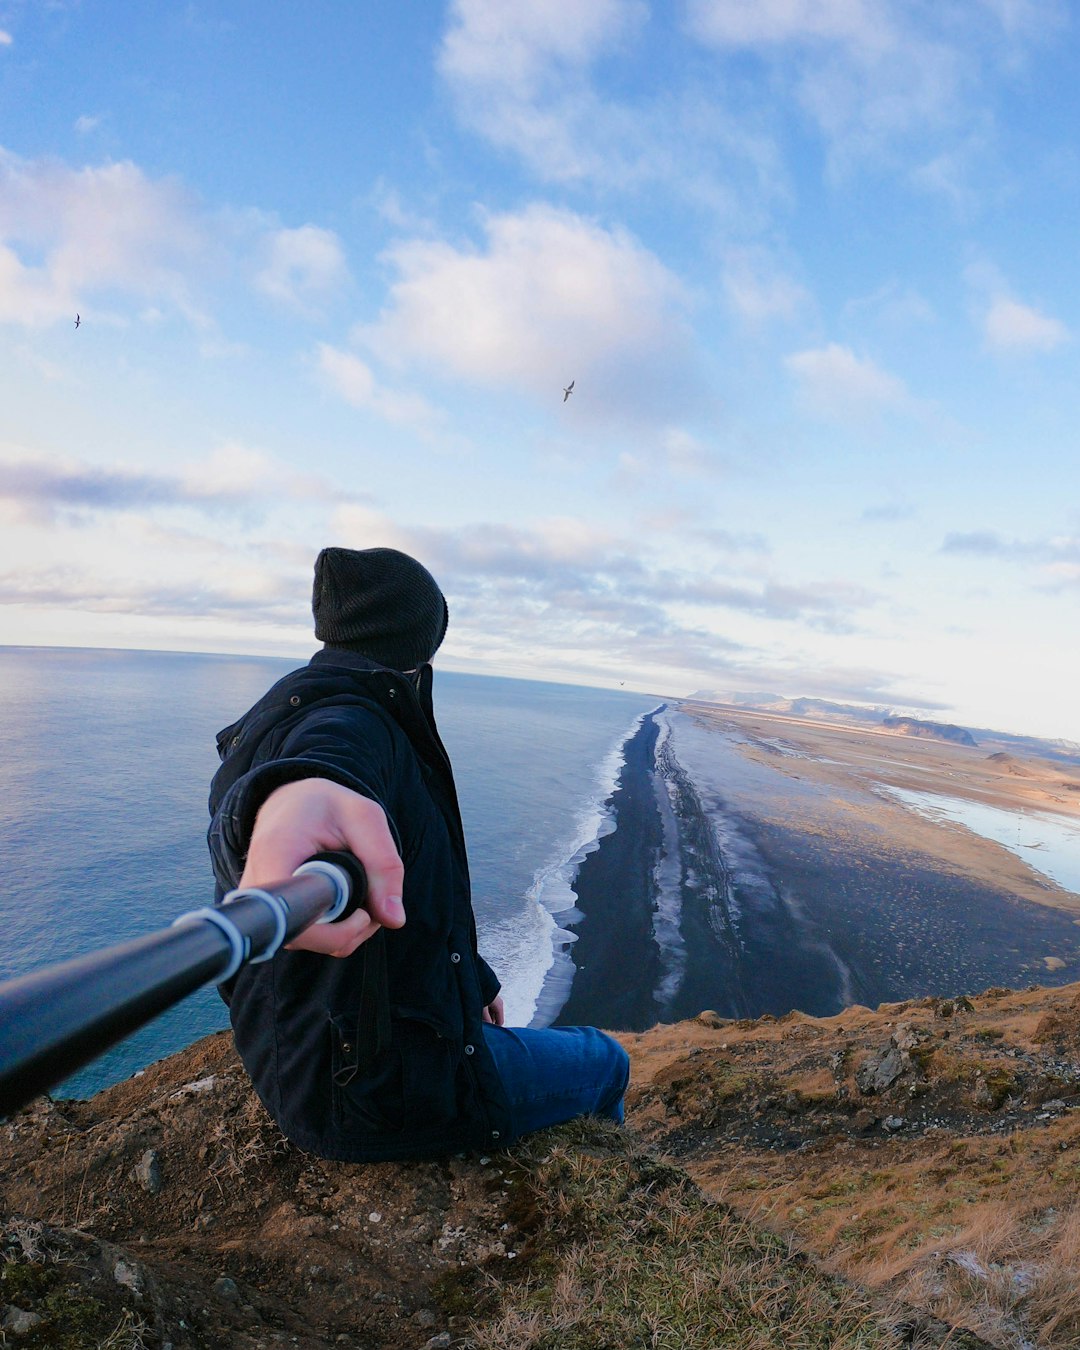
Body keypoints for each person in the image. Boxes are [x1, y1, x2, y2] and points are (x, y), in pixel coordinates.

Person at [207, 546, 629, 1162]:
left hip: (300, 1064)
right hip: (372, 1096)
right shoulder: (355, 723)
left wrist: (475, 981)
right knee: (607, 1061)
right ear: (422, 639)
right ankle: (611, 1167)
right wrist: (294, 797)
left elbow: (420, 905)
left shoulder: (287, 708)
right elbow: (321, 766)